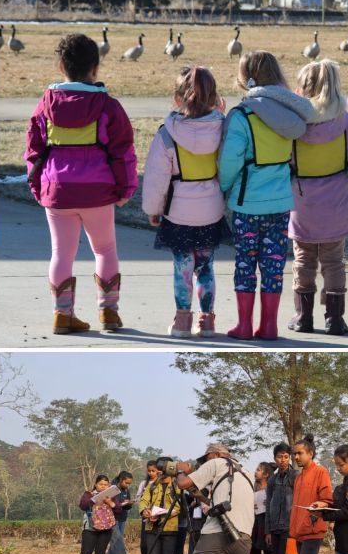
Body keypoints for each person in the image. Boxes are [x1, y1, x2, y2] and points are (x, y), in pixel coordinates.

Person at [24, 33, 136, 334]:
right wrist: (126, 189)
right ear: (95, 68)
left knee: (61, 254)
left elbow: (33, 151)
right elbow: (123, 151)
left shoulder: (45, 105)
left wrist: (37, 187)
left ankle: (63, 316)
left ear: (61, 66)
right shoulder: (108, 106)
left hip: (57, 189)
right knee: (105, 249)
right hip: (98, 192)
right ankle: (108, 314)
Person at [218, 51, 314, 341]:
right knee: (273, 266)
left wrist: (224, 187)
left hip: (247, 204)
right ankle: (269, 325)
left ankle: (244, 325)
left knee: (245, 264)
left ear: (247, 78)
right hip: (281, 204)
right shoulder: (291, 118)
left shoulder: (241, 116)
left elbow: (230, 162)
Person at [286, 60, 348, 336]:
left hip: (303, 205)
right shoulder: (346, 123)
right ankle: (334, 319)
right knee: (334, 262)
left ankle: (303, 316)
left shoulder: (293, 127)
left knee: (303, 261)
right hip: (337, 204)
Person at [141, 66, 228, 338]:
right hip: (211, 211)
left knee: (182, 269)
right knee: (206, 267)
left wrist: (153, 210)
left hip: (178, 212)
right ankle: (207, 321)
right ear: (214, 98)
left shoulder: (167, 134)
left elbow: (156, 178)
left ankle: (181, 322)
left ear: (177, 99)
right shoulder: (223, 131)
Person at [288, 434, 333, 554]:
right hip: (299, 531)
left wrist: (319, 505)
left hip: (314, 530)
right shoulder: (298, 478)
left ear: (311, 453)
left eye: (300, 453)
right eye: (294, 454)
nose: (296, 457)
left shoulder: (321, 472)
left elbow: (327, 499)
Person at [139, 458, 184, 554]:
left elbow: (178, 507)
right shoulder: (152, 486)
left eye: (162, 469)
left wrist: (161, 515)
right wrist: (145, 511)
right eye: (158, 469)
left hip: (170, 529)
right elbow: (143, 501)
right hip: (151, 528)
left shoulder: (177, 486)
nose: (159, 472)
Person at [264, 442, 296, 554]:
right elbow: (268, 504)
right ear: (274, 458)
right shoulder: (272, 479)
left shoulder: (295, 476)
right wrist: (267, 530)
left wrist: (295, 528)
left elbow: (298, 503)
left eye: (285, 456)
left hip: (289, 527)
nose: (283, 460)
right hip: (274, 528)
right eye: (279, 457)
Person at [249, 462, 277, 554]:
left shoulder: (271, 490)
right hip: (254, 524)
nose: (256, 472)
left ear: (266, 474)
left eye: (259, 470)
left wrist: (269, 531)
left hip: (266, 524)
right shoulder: (251, 488)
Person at [77, 475, 117, 554]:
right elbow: (83, 506)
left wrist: (110, 502)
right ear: (96, 484)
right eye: (101, 484)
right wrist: (95, 499)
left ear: (109, 485)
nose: (103, 486)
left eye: (106, 484)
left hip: (106, 529)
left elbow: (118, 509)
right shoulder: (88, 494)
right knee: (86, 553)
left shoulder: (111, 496)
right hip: (90, 529)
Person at [134, 460, 161, 554]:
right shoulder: (144, 483)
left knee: (156, 546)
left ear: (159, 471)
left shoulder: (162, 483)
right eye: (149, 471)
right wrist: (144, 506)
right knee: (144, 545)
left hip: (160, 517)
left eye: (153, 471)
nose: (151, 473)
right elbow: (137, 499)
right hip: (146, 518)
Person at [107, 471, 135, 554]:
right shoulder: (111, 489)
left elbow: (126, 504)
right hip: (112, 519)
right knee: (119, 543)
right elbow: (109, 504)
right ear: (121, 479)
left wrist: (129, 503)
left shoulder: (126, 490)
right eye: (126, 483)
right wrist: (120, 504)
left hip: (122, 519)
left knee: (114, 544)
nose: (127, 485)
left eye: (129, 484)